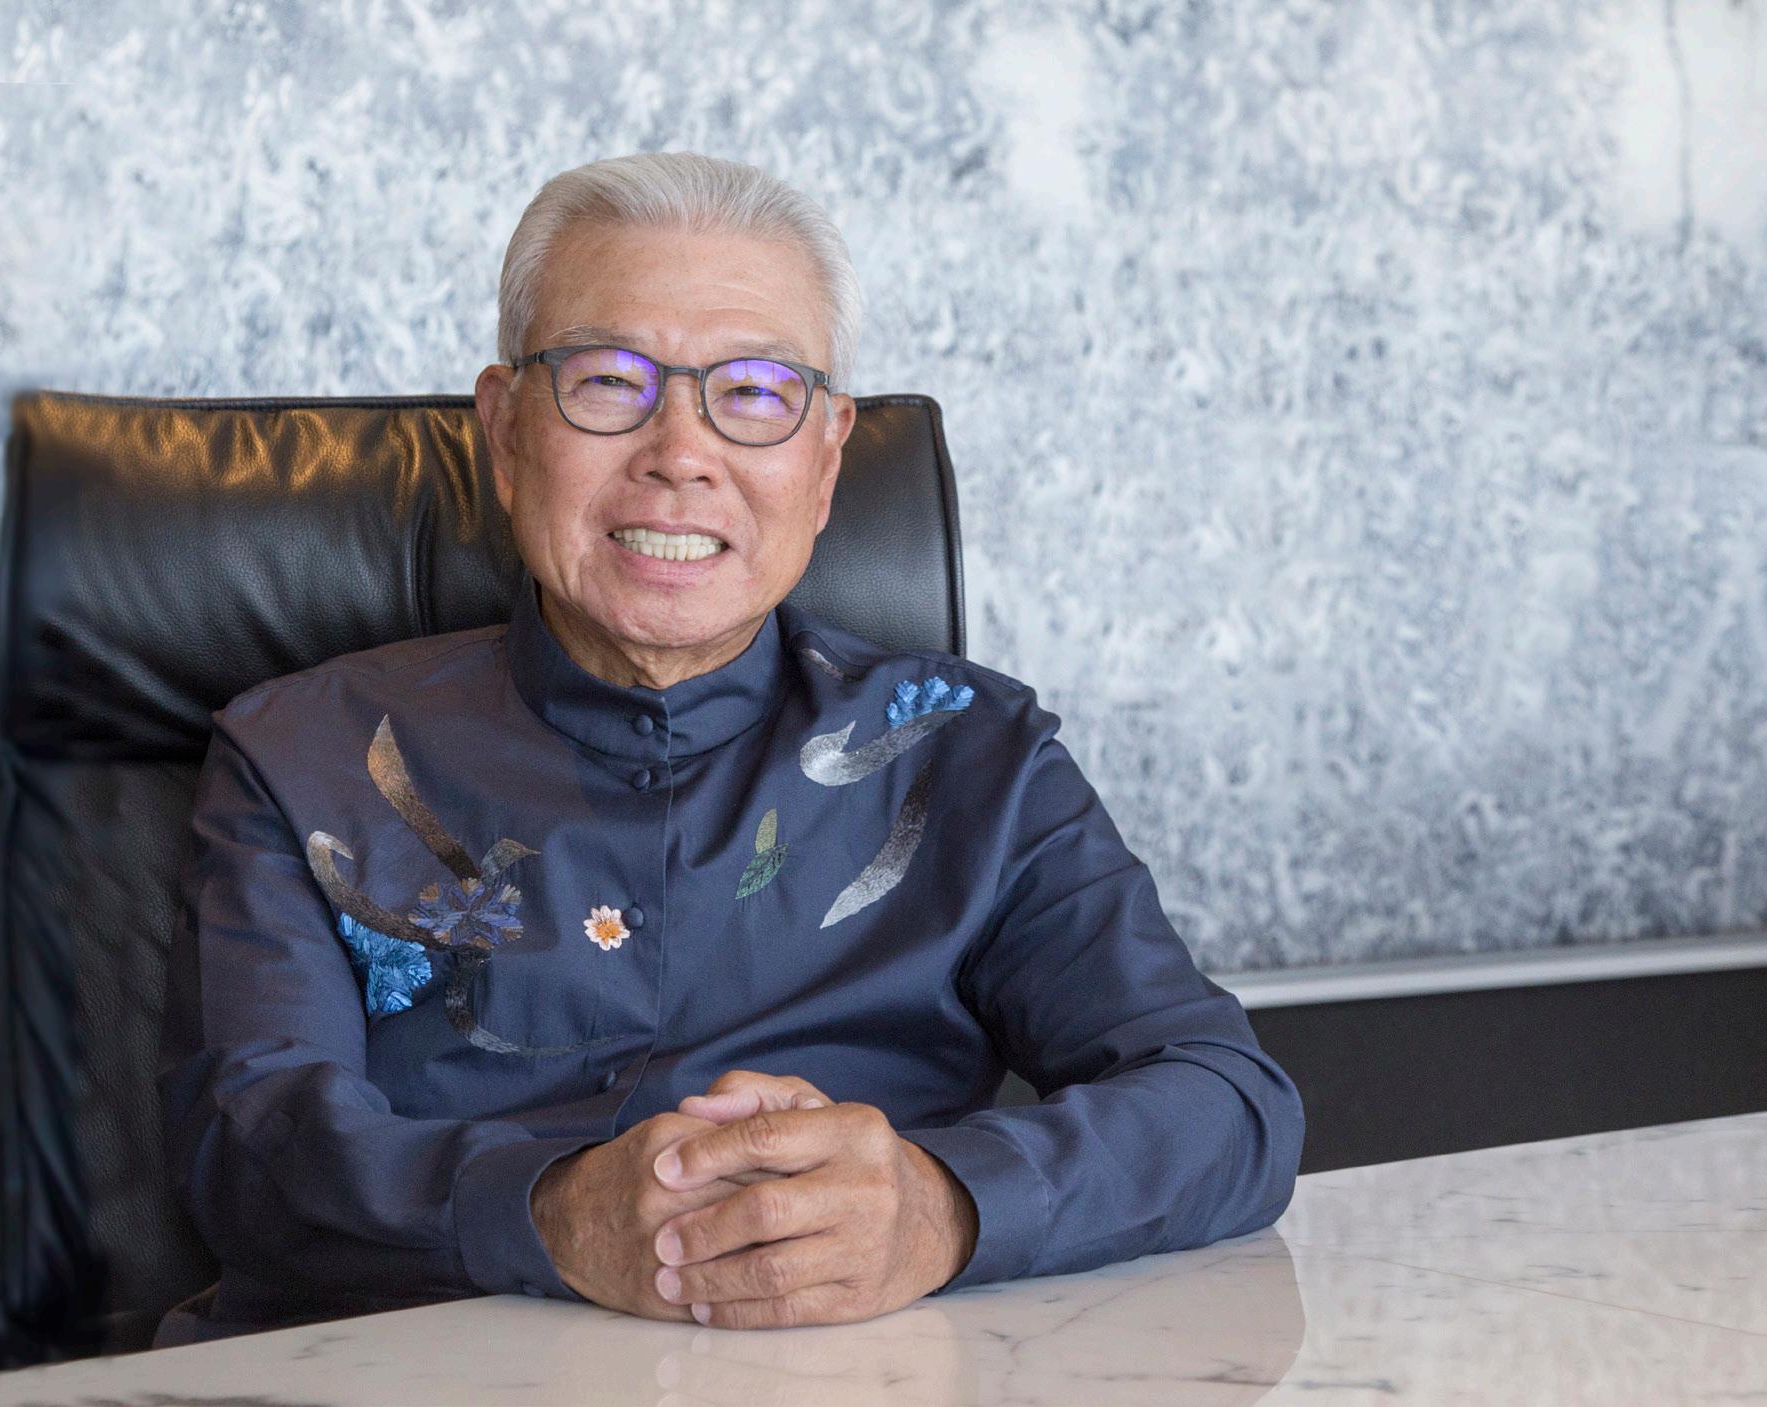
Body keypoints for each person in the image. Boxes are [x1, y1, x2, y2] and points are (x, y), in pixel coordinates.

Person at [153, 152, 1303, 1345]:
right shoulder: (304, 757)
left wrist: (941, 1206)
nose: (680, 452)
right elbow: (247, 1147)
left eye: (753, 392)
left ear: (825, 458)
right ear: (503, 432)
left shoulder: (965, 755)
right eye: (609, 381)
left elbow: (1225, 1102)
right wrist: (549, 1211)